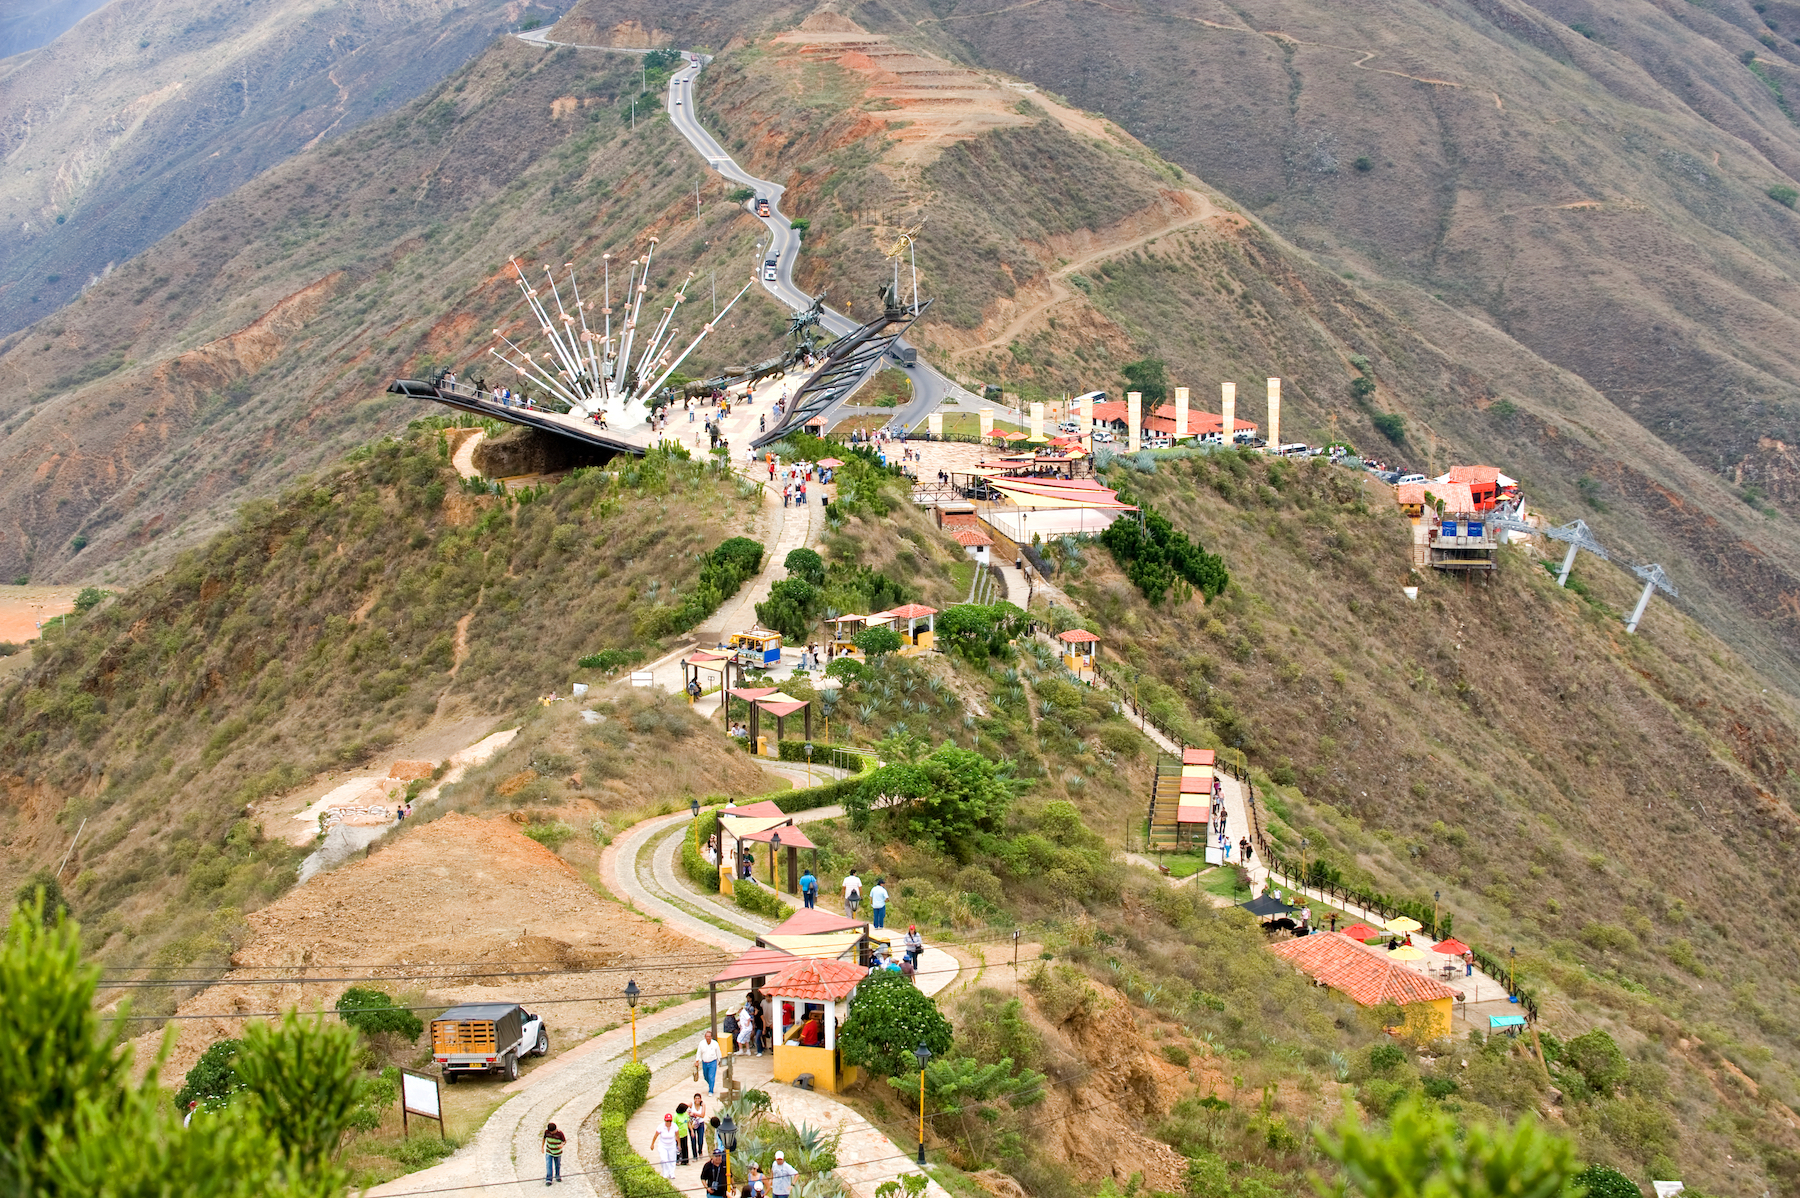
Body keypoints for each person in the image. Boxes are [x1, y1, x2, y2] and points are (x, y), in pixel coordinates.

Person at [651, 1114, 681, 1180]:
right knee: (664, 1159)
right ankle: (665, 1173)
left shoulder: (674, 1126)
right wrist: (652, 1144)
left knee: (672, 1159)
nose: (668, 1123)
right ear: (665, 1121)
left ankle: (672, 1173)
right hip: (663, 1145)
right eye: (667, 1121)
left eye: (670, 1121)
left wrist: (679, 1145)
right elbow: (655, 1136)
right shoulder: (661, 1126)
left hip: (672, 1145)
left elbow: (677, 1136)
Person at [689, 1094, 708, 1159]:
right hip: (692, 1124)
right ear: (694, 1099)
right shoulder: (691, 1104)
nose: (697, 1100)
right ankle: (694, 1155)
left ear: (700, 1099)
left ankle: (700, 1151)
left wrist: (694, 1114)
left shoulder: (702, 1105)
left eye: (698, 1098)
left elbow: (702, 1115)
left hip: (700, 1123)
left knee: (700, 1140)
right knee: (693, 1140)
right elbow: (685, 1106)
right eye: (696, 1099)